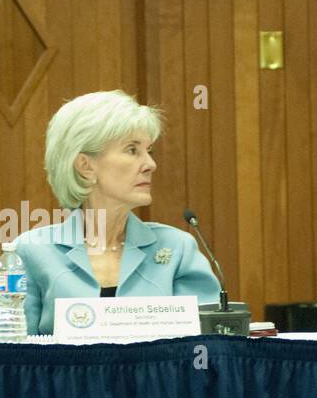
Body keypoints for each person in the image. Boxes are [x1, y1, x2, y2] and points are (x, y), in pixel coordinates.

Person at [14, 90, 220, 335]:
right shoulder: (32, 251)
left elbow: (210, 344)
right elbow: (16, 359)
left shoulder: (178, 249)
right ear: (85, 166)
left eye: (149, 151)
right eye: (132, 150)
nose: (150, 164)